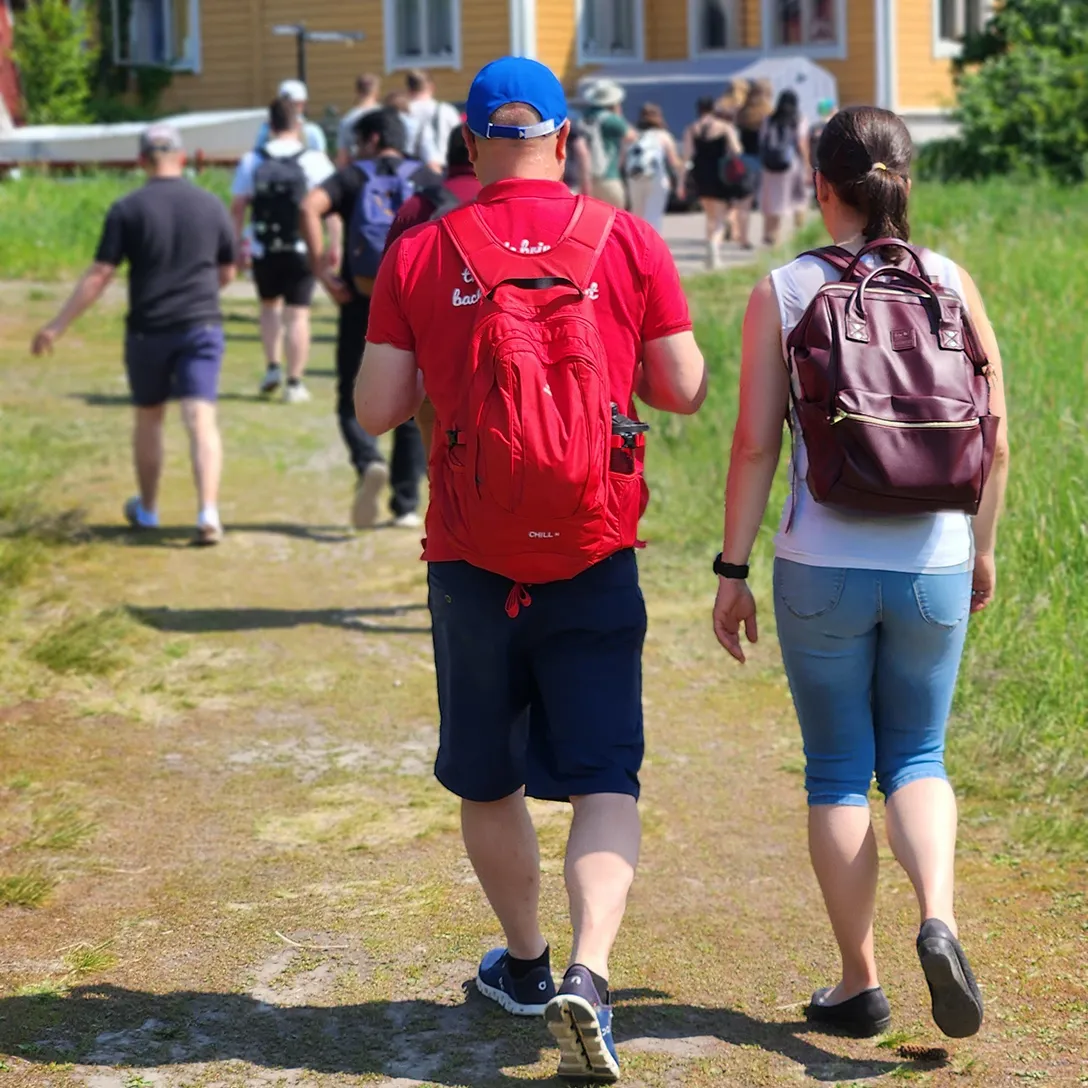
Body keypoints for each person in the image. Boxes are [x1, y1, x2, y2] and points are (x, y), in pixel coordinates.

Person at [355, 56, 707, 1084]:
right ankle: (590, 973)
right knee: (603, 771)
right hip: (593, 544)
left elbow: (379, 408)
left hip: (470, 555)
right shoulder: (624, 237)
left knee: (486, 769)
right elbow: (680, 386)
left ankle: (522, 959)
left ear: (466, 144)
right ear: (566, 138)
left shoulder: (422, 249)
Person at [712, 106, 1010, 1040]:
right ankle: (940, 919)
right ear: (906, 183)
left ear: (821, 185)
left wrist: (732, 568)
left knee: (840, 771)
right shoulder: (951, 282)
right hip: (934, 559)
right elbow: (995, 441)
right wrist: (983, 548)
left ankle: (858, 983)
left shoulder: (788, 288)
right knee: (918, 757)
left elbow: (757, 444)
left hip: (823, 564)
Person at [30, 124, 237, 546]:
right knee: (201, 420)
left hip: (149, 331)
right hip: (201, 325)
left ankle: (148, 509)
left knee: (149, 418)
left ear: (142, 161)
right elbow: (228, 271)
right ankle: (208, 513)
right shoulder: (212, 205)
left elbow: (100, 275)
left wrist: (57, 325)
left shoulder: (127, 208)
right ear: (182, 157)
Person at [299, 107, 431, 531]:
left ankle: (367, 459)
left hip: (362, 297)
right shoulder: (425, 176)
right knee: (412, 398)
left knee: (348, 394)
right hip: (415, 302)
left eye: (358, 141)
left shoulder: (354, 175)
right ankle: (407, 503)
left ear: (373, 138)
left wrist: (323, 272)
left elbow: (309, 206)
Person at [382, 125, 483, 468]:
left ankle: (422, 503)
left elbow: (391, 278)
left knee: (442, 474)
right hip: (503, 354)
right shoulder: (505, 202)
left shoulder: (420, 203)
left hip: (433, 356)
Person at [231, 98, 338, 403]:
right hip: (303, 246)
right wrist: (334, 245)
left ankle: (272, 367)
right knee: (298, 314)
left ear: (270, 125)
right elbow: (331, 209)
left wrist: (237, 244)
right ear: (298, 124)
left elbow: (238, 207)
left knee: (269, 307)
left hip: (265, 247)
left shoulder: (251, 160)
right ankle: (294, 382)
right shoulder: (315, 160)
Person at [683, 96, 746, 269]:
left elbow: (687, 155)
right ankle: (714, 252)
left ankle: (710, 251)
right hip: (719, 175)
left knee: (710, 216)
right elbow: (737, 149)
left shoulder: (691, 128)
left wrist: (682, 182)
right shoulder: (724, 127)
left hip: (700, 175)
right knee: (718, 218)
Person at [621, 103, 684, 236]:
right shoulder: (663, 136)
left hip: (635, 179)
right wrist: (684, 164)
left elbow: (622, 160)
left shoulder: (632, 135)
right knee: (654, 215)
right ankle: (652, 246)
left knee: (637, 215)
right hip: (657, 179)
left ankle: (638, 244)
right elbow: (674, 162)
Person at [759, 89, 808, 246]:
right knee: (799, 197)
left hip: (770, 164)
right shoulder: (798, 119)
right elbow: (801, 143)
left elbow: (762, 140)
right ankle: (799, 232)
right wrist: (807, 164)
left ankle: (772, 234)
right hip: (790, 163)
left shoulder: (769, 119)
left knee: (773, 200)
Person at [582, 79, 635, 209]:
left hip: (587, 177)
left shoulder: (585, 116)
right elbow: (631, 136)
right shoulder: (610, 119)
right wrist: (618, 115)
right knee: (615, 220)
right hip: (609, 176)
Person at [405, 68, 463, 172]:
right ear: (432, 87)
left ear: (409, 89)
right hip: (443, 167)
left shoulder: (403, 112)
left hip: (411, 169)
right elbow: (459, 139)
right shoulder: (447, 111)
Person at [254, 80, 328, 154]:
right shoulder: (265, 130)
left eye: (294, 104)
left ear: (302, 104)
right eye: (285, 104)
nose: (289, 108)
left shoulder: (312, 132)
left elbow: (321, 159)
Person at [337, 73, 382, 166]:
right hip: (383, 168)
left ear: (357, 91)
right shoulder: (386, 115)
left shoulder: (347, 119)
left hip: (359, 169)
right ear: (376, 91)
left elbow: (343, 156)